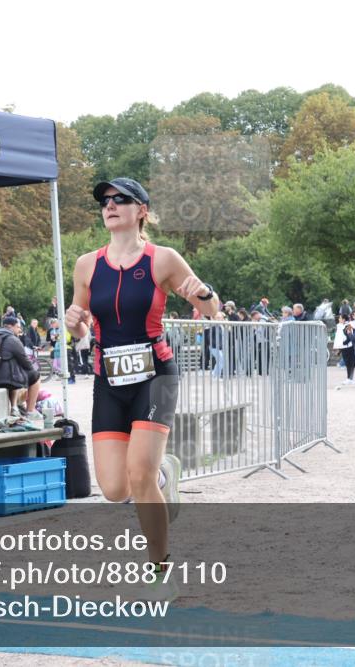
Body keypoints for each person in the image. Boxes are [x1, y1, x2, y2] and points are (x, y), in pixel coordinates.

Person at [64, 177, 220, 598]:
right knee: (115, 489)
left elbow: (212, 310)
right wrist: (73, 321)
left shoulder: (162, 259)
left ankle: (159, 570)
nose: (109, 206)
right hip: (109, 379)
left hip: (156, 377)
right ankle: (165, 474)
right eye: (105, 201)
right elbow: (80, 323)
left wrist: (202, 294)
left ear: (141, 211)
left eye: (120, 200)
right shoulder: (85, 265)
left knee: (139, 474)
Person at [0, 316, 43, 427]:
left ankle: (16, 406)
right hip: (6, 380)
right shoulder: (12, 339)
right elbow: (26, 363)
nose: (19, 330)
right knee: (35, 376)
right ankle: (30, 411)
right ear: (10, 327)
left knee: (13, 375)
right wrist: (32, 369)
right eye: (18, 327)